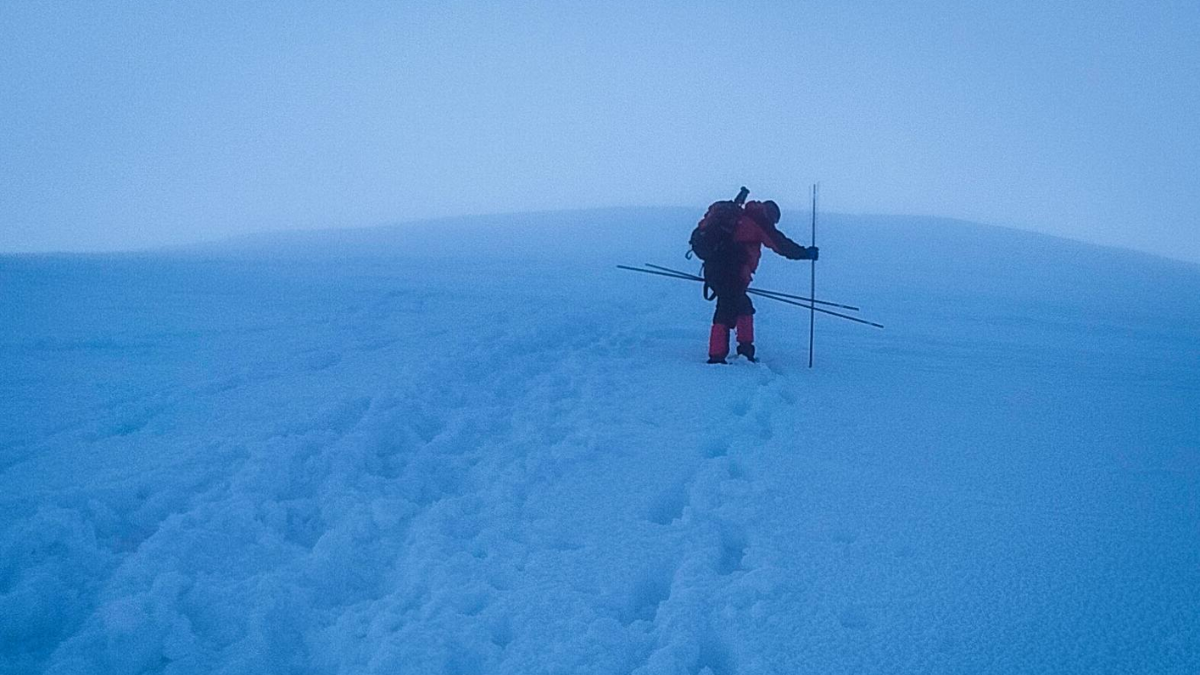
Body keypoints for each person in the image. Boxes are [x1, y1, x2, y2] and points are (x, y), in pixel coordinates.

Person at [702, 199, 817, 363]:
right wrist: (805, 253)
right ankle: (717, 356)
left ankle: (745, 351)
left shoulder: (738, 216)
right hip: (732, 272)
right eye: (774, 221)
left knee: (743, 306)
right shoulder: (758, 219)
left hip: (714, 268)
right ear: (771, 214)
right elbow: (780, 244)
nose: (773, 224)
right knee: (726, 309)